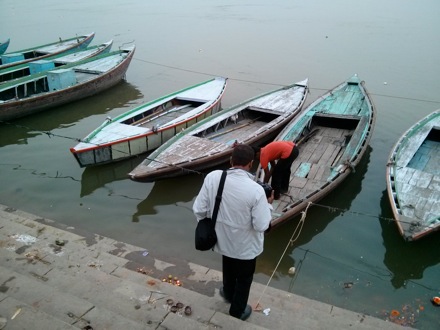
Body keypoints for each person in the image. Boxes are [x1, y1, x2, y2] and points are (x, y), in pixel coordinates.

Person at [193, 144, 272, 321]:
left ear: (230, 160)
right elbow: (261, 225)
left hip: (221, 241)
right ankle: (237, 310)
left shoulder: (213, 177)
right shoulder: (256, 190)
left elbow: (199, 209)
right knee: (244, 278)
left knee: (228, 267)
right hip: (245, 247)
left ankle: (228, 294)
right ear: (251, 164)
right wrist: (268, 204)